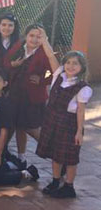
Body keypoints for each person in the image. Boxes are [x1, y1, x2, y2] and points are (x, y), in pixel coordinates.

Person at [37, 51, 93, 199]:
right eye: (68, 62)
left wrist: (79, 132)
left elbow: (80, 111)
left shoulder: (82, 88)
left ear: (82, 67)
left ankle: (69, 185)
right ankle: (55, 181)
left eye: (75, 63)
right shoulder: (59, 77)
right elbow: (50, 56)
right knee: (56, 154)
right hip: (53, 121)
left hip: (69, 124)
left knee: (70, 157)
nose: (71, 66)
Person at [4, 24, 59, 167]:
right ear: (26, 36)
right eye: (32, 35)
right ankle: (21, 157)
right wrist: (13, 65)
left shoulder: (44, 52)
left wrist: (42, 80)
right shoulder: (19, 46)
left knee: (32, 129)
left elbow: (53, 71)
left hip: (33, 97)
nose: (34, 39)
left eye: (38, 36)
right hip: (15, 94)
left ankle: (56, 154)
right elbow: (6, 62)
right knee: (18, 127)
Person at [0, 70, 39, 186]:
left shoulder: (5, 104)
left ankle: (24, 172)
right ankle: (11, 162)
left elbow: (4, 130)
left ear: (5, 83)